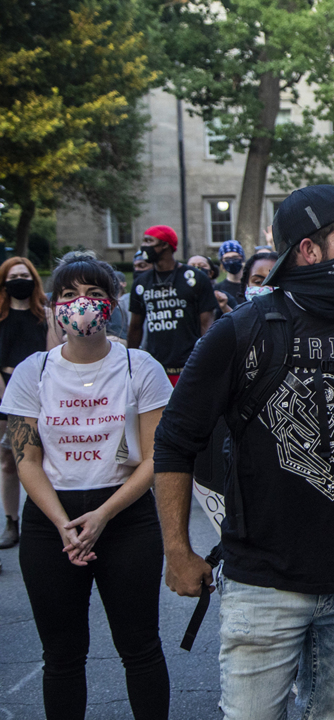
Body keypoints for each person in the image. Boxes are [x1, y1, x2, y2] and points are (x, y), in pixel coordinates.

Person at [151, 185, 334, 719]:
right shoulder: (240, 332)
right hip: (262, 586)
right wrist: (176, 548)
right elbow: (173, 443)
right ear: (308, 250)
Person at [4, 252, 173, 719]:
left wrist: (102, 516)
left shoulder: (141, 368)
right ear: (54, 304)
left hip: (124, 517)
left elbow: (157, 456)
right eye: (70, 294)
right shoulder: (31, 372)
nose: (82, 303)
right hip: (50, 523)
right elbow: (26, 460)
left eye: (95, 295)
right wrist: (63, 524)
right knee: (61, 655)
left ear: (114, 304)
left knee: (140, 647)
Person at [0, 258, 49, 555]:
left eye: (24, 274)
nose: (20, 279)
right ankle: (11, 521)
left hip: (39, 391)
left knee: (40, 458)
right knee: (8, 460)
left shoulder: (44, 314)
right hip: (4, 390)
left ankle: (44, 515)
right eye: (13, 275)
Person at [128, 225, 216, 384]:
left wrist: (207, 362)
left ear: (165, 245)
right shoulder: (141, 282)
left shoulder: (196, 278)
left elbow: (207, 325)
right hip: (154, 368)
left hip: (189, 366)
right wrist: (131, 365)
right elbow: (135, 326)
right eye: (144, 241)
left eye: (149, 241)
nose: (144, 247)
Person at [215, 240, 247, 306]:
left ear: (242, 258)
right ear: (222, 262)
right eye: (227, 259)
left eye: (235, 257)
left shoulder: (250, 286)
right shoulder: (218, 288)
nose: (231, 261)